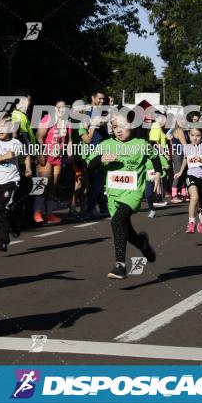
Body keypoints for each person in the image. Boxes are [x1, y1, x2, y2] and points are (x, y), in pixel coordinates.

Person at [88, 109, 161, 279]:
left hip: (132, 193)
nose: (118, 130)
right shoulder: (105, 145)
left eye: (122, 126)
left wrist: (157, 173)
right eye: (114, 127)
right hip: (113, 195)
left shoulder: (141, 144)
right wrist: (100, 159)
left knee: (117, 220)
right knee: (126, 231)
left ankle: (120, 266)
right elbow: (90, 167)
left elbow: (155, 157)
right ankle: (143, 244)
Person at [0, 116, 32, 252]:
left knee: (2, 208)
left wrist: (28, 168)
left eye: (3, 127)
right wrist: (4, 157)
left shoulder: (16, 143)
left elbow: (26, 155)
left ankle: (2, 241)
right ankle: (15, 225)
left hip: (12, 181)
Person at [34, 99, 70, 224]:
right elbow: (39, 137)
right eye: (59, 108)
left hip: (58, 157)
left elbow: (68, 140)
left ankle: (49, 214)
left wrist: (69, 153)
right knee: (41, 183)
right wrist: (40, 153)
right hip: (46, 155)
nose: (62, 110)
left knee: (52, 186)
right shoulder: (47, 119)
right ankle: (37, 212)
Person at [78, 88, 110, 217]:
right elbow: (85, 137)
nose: (102, 101)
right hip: (91, 152)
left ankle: (101, 207)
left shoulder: (102, 112)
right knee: (93, 182)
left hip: (103, 150)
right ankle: (89, 208)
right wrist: (92, 125)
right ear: (93, 98)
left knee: (100, 181)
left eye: (103, 99)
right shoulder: (86, 113)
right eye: (99, 98)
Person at [181, 126, 202, 233]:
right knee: (194, 197)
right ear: (189, 136)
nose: (195, 138)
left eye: (198, 136)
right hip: (191, 176)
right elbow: (186, 159)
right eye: (192, 135)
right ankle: (191, 222)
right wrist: (180, 171)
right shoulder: (187, 147)